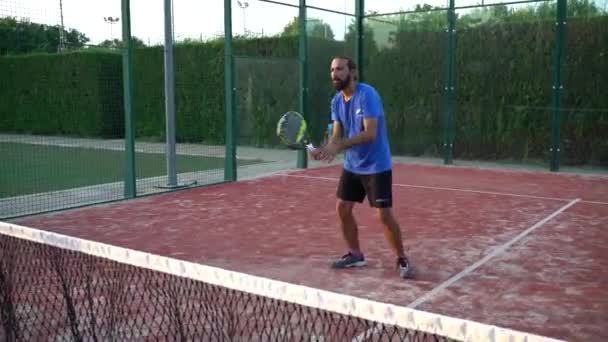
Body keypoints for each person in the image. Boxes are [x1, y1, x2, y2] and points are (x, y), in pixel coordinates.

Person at [310, 56, 413, 279]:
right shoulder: (336, 101)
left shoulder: (368, 95)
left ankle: (402, 258)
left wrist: (338, 147)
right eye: (332, 70)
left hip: (377, 165)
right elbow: (337, 136)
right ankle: (356, 254)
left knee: (383, 215)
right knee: (342, 208)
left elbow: (370, 133)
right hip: (353, 166)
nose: (335, 74)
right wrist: (324, 149)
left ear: (352, 72)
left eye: (340, 69)